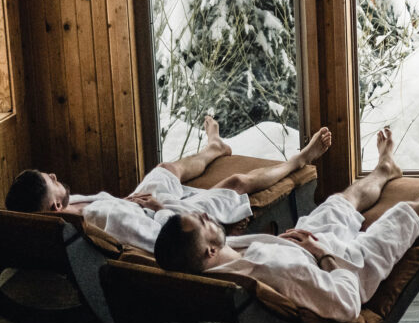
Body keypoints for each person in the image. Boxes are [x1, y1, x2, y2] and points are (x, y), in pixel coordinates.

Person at [154, 130, 419, 323]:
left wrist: (292, 244)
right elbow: (347, 304)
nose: (204, 214)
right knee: (405, 212)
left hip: (300, 246)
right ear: (208, 250)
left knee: (341, 200)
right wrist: (324, 256)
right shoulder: (275, 272)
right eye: (200, 222)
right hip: (349, 263)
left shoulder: (210, 266)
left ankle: (384, 169)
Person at [4, 116, 333, 253]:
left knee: (164, 170)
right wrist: (161, 208)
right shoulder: (101, 221)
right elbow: (157, 242)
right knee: (234, 183)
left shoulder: (75, 215)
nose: (56, 176)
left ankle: (214, 148)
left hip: (138, 206)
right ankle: (298, 160)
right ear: (56, 207)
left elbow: (116, 211)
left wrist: (131, 202)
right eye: (51, 181)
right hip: (166, 218)